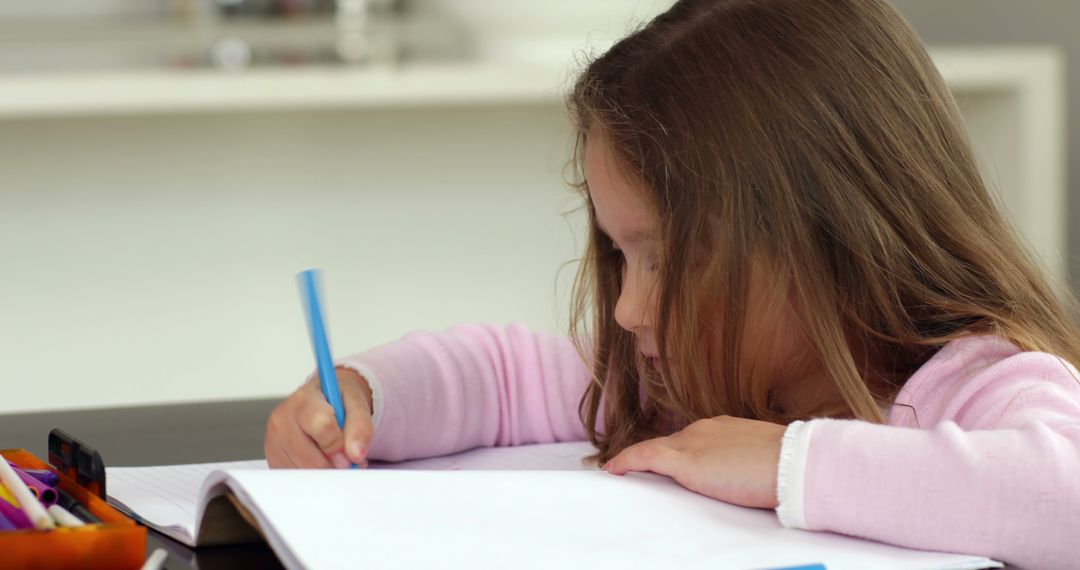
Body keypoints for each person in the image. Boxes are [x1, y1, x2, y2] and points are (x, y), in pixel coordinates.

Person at [264, 0, 1080, 566]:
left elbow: (1064, 498)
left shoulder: (973, 384)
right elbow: (503, 375)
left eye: (663, 258)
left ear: (824, 236)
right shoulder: (678, 379)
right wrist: (365, 396)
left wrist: (784, 463)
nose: (626, 308)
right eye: (622, 257)